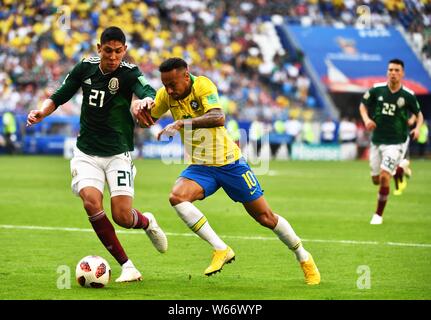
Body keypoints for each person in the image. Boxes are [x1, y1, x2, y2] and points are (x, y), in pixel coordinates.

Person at [133, 57, 320, 285]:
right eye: (165, 85)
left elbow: (218, 117)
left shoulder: (203, 85)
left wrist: (183, 123)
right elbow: (146, 121)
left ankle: (304, 257)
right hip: (201, 167)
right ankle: (221, 249)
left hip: (230, 164)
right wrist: (139, 109)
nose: (169, 90)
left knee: (266, 217)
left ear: (185, 75)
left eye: (173, 84)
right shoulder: (165, 95)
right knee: (177, 197)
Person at [26, 26, 168, 282]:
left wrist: (145, 102)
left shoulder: (129, 72)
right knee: (91, 203)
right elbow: (59, 95)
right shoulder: (85, 68)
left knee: (123, 217)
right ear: (98, 49)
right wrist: (41, 112)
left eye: (118, 52)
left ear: (124, 50)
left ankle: (147, 222)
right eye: (108, 51)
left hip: (117, 153)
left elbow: (149, 92)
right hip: (86, 153)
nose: (113, 57)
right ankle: (128, 266)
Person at [359, 58, 424, 225]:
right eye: (390, 70)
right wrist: (366, 119)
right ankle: (400, 167)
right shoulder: (377, 90)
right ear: (387, 72)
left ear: (402, 73)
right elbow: (363, 105)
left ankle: (378, 215)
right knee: (375, 179)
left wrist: (417, 128)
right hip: (377, 140)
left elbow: (419, 114)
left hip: (396, 142)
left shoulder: (407, 95)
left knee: (384, 177)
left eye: (396, 70)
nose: (393, 73)